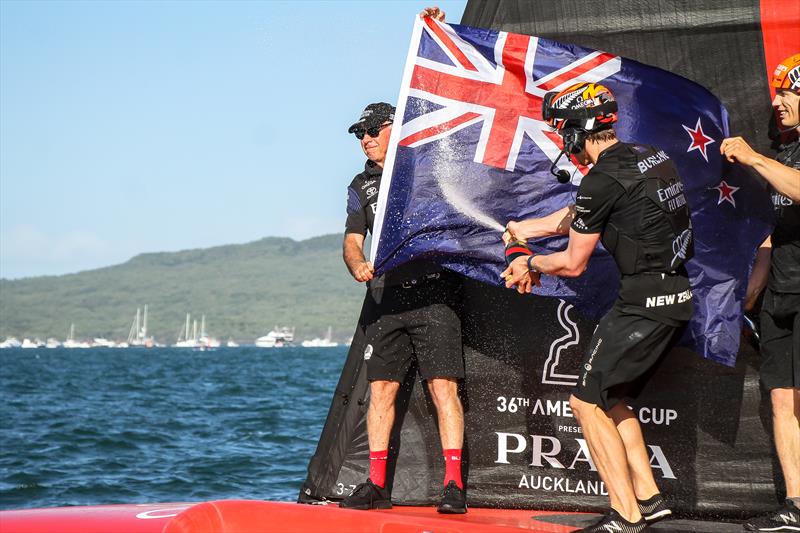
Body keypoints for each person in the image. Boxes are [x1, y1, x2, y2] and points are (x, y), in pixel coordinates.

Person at [502, 82, 694, 532]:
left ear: (577, 131)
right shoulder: (648, 156)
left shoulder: (600, 181)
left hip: (642, 304)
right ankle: (648, 498)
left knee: (585, 402)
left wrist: (528, 261)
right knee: (614, 399)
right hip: (675, 297)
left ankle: (625, 517)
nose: (562, 145)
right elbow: (579, 215)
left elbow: (572, 263)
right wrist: (522, 229)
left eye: (562, 134)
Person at [339, 97, 467, 514]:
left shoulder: (428, 168)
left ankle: (453, 486)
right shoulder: (361, 186)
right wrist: (358, 263)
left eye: (373, 130)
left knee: (442, 388)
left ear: (395, 128)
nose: (365, 139)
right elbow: (353, 240)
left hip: (434, 295)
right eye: (360, 133)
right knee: (381, 391)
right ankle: (376, 486)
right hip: (387, 298)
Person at [720, 52, 800, 532]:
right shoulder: (787, 150)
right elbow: (774, 227)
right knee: (781, 399)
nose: (778, 101)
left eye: (788, 92)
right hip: (784, 294)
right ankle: (796, 504)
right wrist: (755, 283)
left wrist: (752, 156)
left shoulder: (776, 158)